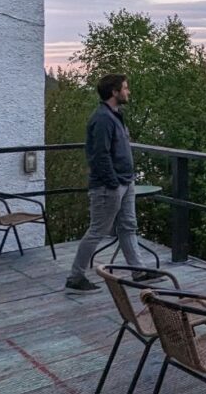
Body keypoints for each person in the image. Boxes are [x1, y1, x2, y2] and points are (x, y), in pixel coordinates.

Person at [65, 74, 160, 293]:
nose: (128, 92)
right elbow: (99, 155)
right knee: (97, 230)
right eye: (125, 88)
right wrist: (113, 183)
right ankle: (75, 277)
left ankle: (138, 271)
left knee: (128, 227)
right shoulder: (103, 119)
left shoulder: (115, 116)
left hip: (126, 182)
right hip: (110, 186)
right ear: (114, 92)